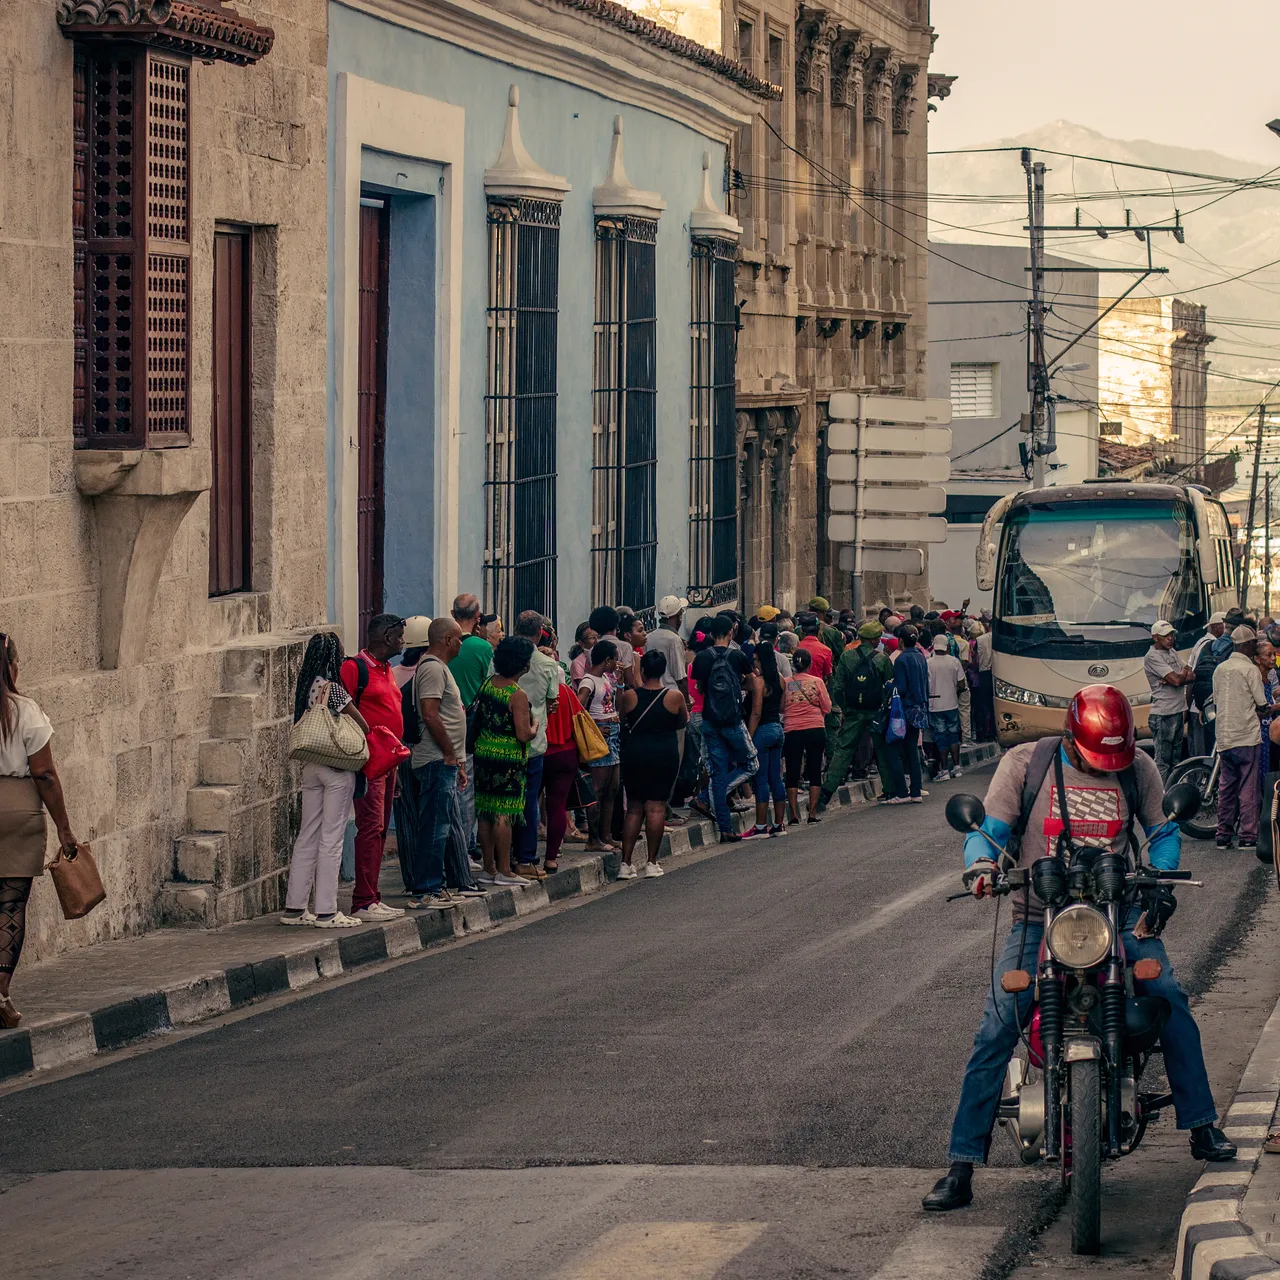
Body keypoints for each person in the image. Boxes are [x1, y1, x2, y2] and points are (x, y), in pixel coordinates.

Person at [923, 684, 1237, 1213]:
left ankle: (1202, 1124)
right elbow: (990, 831)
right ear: (1071, 734)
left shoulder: (1137, 767)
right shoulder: (1026, 762)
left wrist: (1158, 880)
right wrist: (981, 866)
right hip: (1037, 918)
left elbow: (1162, 830)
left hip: (1117, 917)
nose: (1107, 765)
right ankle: (961, 1164)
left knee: (1170, 997)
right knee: (998, 1025)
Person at [0, 631, 81, 1027]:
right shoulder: (26, 711)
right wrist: (65, 831)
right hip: (18, 811)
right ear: (10, 667)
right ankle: (0, 994)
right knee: (10, 907)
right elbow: (45, 774)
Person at [407, 617, 478, 910]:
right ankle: (426, 890)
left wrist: (458, 761)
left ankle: (437, 885)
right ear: (447, 640)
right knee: (434, 827)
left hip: (445, 761)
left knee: (443, 826)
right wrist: (450, 753)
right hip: (435, 760)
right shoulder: (433, 669)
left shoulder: (440, 669)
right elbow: (430, 714)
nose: (462, 644)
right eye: (459, 638)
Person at [340, 614, 407, 922]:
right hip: (369, 762)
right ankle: (363, 900)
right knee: (370, 827)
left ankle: (373, 896)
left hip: (388, 761)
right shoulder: (356, 668)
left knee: (380, 829)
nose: (404, 642)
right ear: (385, 637)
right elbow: (341, 709)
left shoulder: (387, 670)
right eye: (400, 636)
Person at [617, 650, 689, 877]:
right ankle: (651, 862)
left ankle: (626, 863)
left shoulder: (630, 696)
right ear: (663, 671)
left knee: (634, 808)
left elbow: (622, 720)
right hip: (663, 753)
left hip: (635, 753)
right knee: (656, 807)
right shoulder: (674, 696)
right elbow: (682, 721)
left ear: (643, 670)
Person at [473, 636, 538, 885]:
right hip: (508, 757)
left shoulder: (488, 684)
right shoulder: (516, 694)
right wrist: (535, 725)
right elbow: (523, 734)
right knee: (504, 812)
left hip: (484, 753)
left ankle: (488, 868)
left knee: (486, 810)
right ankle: (504, 870)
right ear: (523, 665)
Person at [691, 613, 757, 842]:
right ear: (732, 632)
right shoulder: (738, 656)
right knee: (751, 764)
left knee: (717, 773)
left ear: (710, 634)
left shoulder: (701, 658)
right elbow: (752, 680)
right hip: (733, 720)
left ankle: (725, 829)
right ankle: (708, 796)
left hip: (710, 720)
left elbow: (699, 688)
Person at [1212, 625, 1278, 851]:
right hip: (1247, 737)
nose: (1255, 646)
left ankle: (1223, 835)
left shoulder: (1219, 669)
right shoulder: (1249, 670)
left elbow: (1217, 701)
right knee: (1248, 788)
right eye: (1253, 643)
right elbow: (1262, 705)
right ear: (1247, 645)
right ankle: (1248, 836)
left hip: (1224, 737)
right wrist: (1268, 709)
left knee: (1226, 787)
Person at [821, 622, 893, 807]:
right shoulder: (882, 659)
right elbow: (889, 688)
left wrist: (846, 708)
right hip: (876, 712)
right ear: (875, 639)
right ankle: (890, 789)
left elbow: (837, 687)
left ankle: (826, 794)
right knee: (882, 750)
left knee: (843, 751)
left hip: (854, 712)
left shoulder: (846, 657)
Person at [512, 611, 561, 879]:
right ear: (540, 631)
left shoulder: (503, 657)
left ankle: (504, 857)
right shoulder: (547, 663)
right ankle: (526, 858)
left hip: (503, 740)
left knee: (504, 802)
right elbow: (552, 699)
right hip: (534, 740)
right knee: (529, 801)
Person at [449, 594, 494, 869]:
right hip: (471, 727)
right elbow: (490, 687)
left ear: (452, 613)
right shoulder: (482, 648)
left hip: (441, 725)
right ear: (478, 617)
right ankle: (464, 847)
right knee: (466, 791)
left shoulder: (441, 643)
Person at [576, 639, 621, 852]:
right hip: (601, 736)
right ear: (607, 660)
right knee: (598, 789)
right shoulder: (588, 682)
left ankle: (606, 835)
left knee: (611, 788)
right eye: (615, 660)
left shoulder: (605, 678)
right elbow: (579, 707)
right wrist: (594, 728)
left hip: (613, 733)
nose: (616, 664)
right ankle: (594, 838)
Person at [540, 675, 585, 874]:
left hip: (538, 753)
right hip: (566, 753)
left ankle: (523, 856)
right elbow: (579, 717)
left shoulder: (531, 689)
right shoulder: (566, 691)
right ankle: (551, 857)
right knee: (557, 806)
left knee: (529, 803)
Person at [782, 647, 832, 825]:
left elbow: (782, 708)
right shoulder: (817, 682)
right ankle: (812, 813)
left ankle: (794, 815)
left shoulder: (787, 683)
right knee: (815, 769)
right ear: (810, 665)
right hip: (815, 729)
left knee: (792, 771)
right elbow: (827, 707)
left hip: (792, 730)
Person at [744, 640, 787, 837]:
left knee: (761, 780)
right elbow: (782, 708)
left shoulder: (758, 682)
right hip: (778, 729)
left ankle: (760, 826)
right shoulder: (780, 679)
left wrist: (750, 738)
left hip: (763, 730)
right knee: (776, 777)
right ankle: (779, 824)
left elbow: (756, 712)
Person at [1145, 620, 1193, 784]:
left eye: (1171, 635)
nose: (1170, 639)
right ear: (1155, 637)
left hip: (1178, 711)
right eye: (1165, 636)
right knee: (1163, 761)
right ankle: (1160, 795)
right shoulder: (1152, 657)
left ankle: (1173, 792)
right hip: (1164, 714)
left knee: (1176, 760)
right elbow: (1177, 680)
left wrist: (1181, 674)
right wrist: (1180, 675)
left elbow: (1191, 674)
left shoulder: (1172, 652)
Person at [887, 625, 929, 802]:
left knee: (894, 751)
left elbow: (901, 687)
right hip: (919, 708)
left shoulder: (902, 659)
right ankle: (916, 791)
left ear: (901, 640)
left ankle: (902, 792)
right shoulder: (921, 657)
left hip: (905, 709)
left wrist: (889, 686)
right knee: (912, 749)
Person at [928, 633, 967, 779]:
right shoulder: (954, 662)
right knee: (953, 735)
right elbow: (962, 684)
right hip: (951, 703)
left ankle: (944, 769)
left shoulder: (928, 663)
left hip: (935, 705)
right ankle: (957, 767)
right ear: (947, 647)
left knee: (940, 736)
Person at [971, 622, 995, 743]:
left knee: (983, 705)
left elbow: (975, 660)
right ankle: (994, 731)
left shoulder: (980, 640)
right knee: (995, 705)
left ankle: (984, 732)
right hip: (999, 674)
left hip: (984, 674)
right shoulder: (1001, 638)